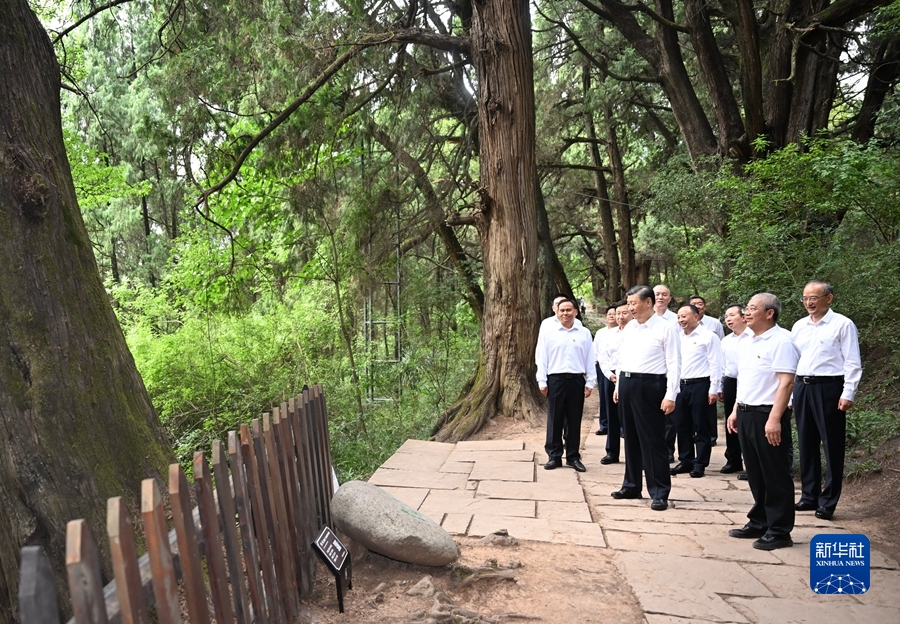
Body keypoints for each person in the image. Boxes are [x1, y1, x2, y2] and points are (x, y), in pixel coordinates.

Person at [726, 293, 799, 550]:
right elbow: (746, 380)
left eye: (752, 308)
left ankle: (780, 530)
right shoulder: (747, 341)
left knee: (774, 472)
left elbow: (787, 383)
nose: (746, 312)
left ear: (769, 313)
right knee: (755, 472)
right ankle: (760, 520)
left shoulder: (782, 341)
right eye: (746, 307)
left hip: (767, 414)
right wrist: (735, 410)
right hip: (746, 412)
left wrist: (775, 419)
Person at [792, 281, 862, 521]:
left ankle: (828, 501)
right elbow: (793, 361)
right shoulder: (799, 326)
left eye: (814, 298)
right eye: (805, 298)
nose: (809, 303)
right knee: (806, 442)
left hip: (829, 388)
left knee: (832, 444)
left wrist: (848, 392)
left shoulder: (842, 324)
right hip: (802, 386)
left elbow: (852, 361)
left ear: (828, 298)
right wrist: (790, 393)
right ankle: (809, 495)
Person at [611, 285, 680, 511]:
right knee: (630, 437)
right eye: (628, 303)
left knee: (652, 440)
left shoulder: (666, 328)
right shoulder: (630, 328)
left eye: (634, 303)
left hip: (650, 385)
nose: (630, 308)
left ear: (648, 302)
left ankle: (659, 491)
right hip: (627, 383)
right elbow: (622, 358)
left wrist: (671, 394)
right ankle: (631, 485)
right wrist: (619, 385)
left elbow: (674, 363)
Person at [536, 298, 596, 472]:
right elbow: (542, 356)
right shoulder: (549, 332)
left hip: (576, 379)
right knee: (554, 418)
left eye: (569, 310)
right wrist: (542, 380)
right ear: (557, 312)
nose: (565, 313)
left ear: (576, 312)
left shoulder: (584, 333)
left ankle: (573, 456)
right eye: (562, 310)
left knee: (574, 419)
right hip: (555, 379)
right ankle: (554, 456)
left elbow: (590, 358)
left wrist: (590, 381)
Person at [670, 304, 723, 478]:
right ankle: (686, 460)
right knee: (681, 425)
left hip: (700, 385)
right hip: (680, 386)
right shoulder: (677, 337)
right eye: (679, 317)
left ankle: (700, 463)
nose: (681, 320)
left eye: (684, 316)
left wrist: (714, 388)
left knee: (701, 425)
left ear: (696, 317)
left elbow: (716, 363)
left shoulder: (709, 336)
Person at [718, 303, 751, 474]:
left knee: (747, 422)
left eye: (732, 315)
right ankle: (733, 459)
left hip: (750, 382)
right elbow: (722, 365)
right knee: (731, 422)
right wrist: (720, 386)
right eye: (726, 316)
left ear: (744, 317)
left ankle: (751, 463)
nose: (728, 319)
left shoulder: (753, 337)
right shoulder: (726, 340)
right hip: (731, 382)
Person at [597, 300, 631, 463]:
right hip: (611, 378)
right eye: (618, 313)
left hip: (629, 378)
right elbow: (602, 357)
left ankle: (634, 454)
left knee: (630, 417)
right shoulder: (609, 334)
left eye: (624, 313)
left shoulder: (637, 333)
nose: (620, 317)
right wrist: (609, 374)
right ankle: (612, 451)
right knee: (611, 415)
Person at [690, 295, 724, 447]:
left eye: (700, 303)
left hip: (706, 373)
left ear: (704, 306)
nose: (697, 305)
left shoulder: (714, 323)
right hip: (689, 374)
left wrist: (717, 383)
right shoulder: (681, 328)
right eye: (694, 303)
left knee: (707, 410)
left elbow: (721, 345)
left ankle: (711, 436)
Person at [592, 305, 619, 435]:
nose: (612, 316)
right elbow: (595, 350)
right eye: (610, 314)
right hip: (603, 368)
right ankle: (604, 424)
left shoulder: (623, 332)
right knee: (604, 396)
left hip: (618, 368)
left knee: (618, 397)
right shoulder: (601, 333)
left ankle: (620, 426)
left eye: (614, 314)